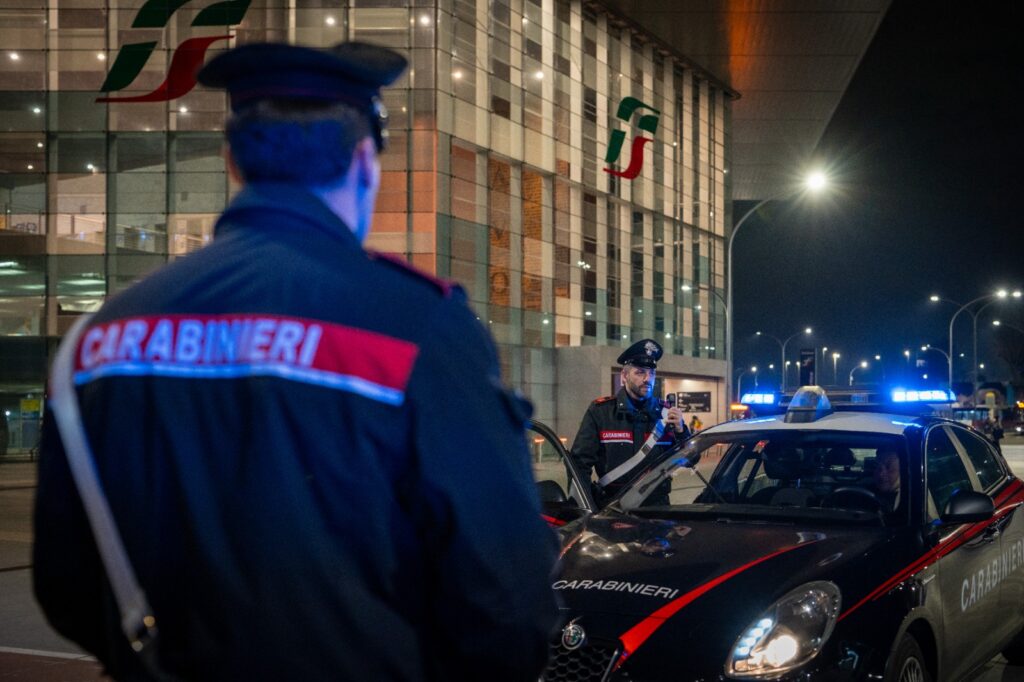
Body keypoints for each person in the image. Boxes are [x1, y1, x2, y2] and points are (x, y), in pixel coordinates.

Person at [33, 41, 559, 682]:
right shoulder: (415, 326)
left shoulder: (101, 339)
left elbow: (65, 582)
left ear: (233, 161)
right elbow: (504, 592)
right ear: (365, 159)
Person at [570, 339, 689, 504]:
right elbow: (579, 465)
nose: (648, 379)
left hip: (657, 510)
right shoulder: (601, 412)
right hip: (614, 508)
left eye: (652, 373)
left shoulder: (666, 413)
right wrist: (585, 505)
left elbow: (690, 461)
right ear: (624, 376)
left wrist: (682, 432)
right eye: (640, 372)